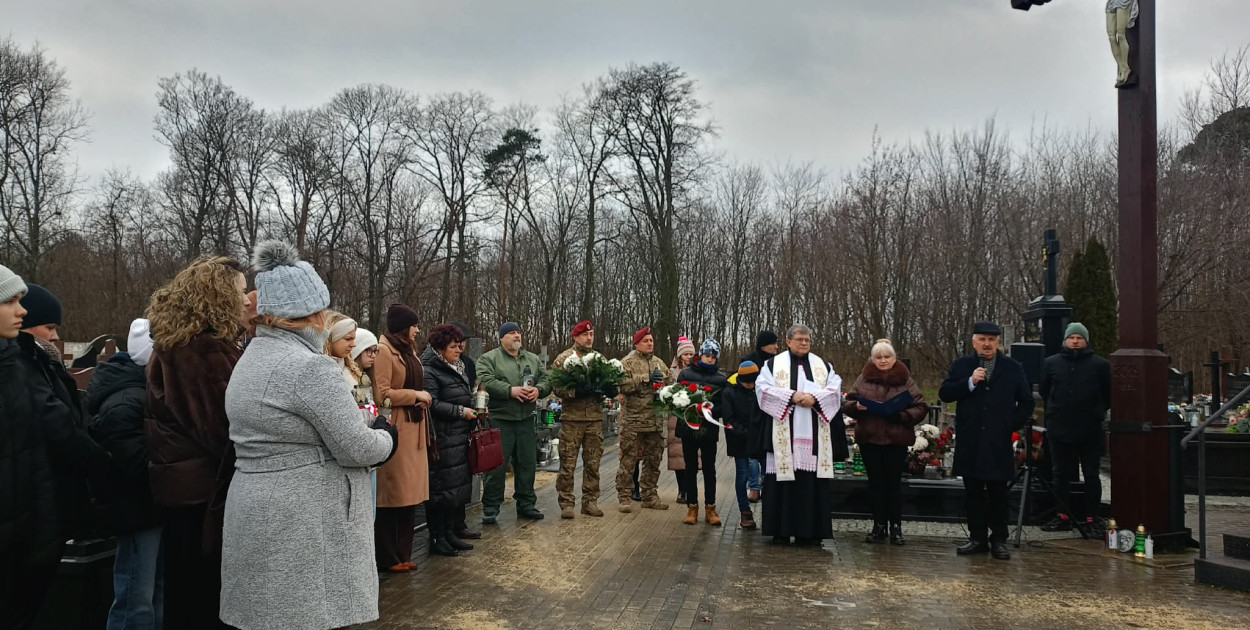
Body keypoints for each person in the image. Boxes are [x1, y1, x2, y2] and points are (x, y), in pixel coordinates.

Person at [220, 240, 396, 630]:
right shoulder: (308, 368)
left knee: (268, 615)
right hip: (302, 519)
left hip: (256, 505)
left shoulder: (250, 357)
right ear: (310, 312)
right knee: (305, 616)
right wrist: (386, 436)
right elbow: (357, 448)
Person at [1, 267, 108, 629]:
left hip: (34, 524)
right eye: (11, 302)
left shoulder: (19, 364)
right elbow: (57, 426)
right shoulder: (21, 366)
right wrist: (105, 465)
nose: (22, 311)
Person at [145, 256, 249, 629]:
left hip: (185, 492)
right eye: (238, 291)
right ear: (218, 297)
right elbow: (224, 429)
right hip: (201, 497)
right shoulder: (201, 351)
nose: (246, 299)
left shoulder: (178, 345)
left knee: (187, 596)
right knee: (201, 601)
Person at [88, 318, 165, 630]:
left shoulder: (139, 391)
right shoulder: (125, 399)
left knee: (152, 594)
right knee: (136, 596)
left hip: (149, 508)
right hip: (135, 511)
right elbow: (128, 460)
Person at [939, 321, 1034, 561]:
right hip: (971, 438)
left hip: (997, 440)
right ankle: (977, 538)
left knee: (998, 492)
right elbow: (945, 392)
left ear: (998, 342)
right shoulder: (963, 365)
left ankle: (999, 539)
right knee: (973, 491)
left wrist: (1009, 424)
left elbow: (1026, 401)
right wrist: (970, 382)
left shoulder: (1012, 368)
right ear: (974, 342)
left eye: (992, 339)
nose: (987, 344)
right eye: (982, 339)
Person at [755, 325, 847, 545]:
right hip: (783, 436)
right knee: (781, 485)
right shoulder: (772, 365)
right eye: (799, 339)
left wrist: (815, 398)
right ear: (788, 341)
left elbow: (835, 388)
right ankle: (781, 531)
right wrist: (792, 396)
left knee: (811, 485)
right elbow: (762, 389)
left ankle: (811, 533)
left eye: (807, 340)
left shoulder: (823, 365)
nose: (804, 343)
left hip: (814, 437)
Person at [842, 339, 928, 546]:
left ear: (894, 358)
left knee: (893, 486)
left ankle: (896, 528)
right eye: (878, 357)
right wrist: (856, 408)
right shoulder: (864, 378)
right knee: (876, 485)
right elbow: (848, 403)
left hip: (895, 439)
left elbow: (921, 406)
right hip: (870, 438)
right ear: (873, 359)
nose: (882, 361)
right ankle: (878, 526)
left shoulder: (905, 379)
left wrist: (902, 416)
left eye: (886, 357)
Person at [373, 303, 432, 573]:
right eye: (414, 325)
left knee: (409, 495)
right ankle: (388, 556)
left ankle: (403, 553)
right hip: (398, 429)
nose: (418, 330)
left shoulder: (409, 351)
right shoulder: (384, 351)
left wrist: (420, 399)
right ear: (403, 327)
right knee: (393, 493)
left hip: (414, 427)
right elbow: (381, 393)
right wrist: (415, 396)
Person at [1039, 322, 1111, 534]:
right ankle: (1062, 515)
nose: (1075, 341)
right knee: (1060, 474)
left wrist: (1095, 411)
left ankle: (1092, 517)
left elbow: (1108, 394)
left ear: (1086, 340)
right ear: (1066, 340)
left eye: (1079, 337)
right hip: (1059, 427)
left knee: (1091, 474)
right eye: (1072, 338)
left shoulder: (1100, 365)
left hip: (1089, 428)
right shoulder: (1052, 363)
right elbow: (1045, 390)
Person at [477, 321, 551, 523]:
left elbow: (545, 380)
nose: (517, 336)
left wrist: (539, 390)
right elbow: (484, 380)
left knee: (527, 463)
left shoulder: (533, 359)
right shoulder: (489, 358)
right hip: (500, 419)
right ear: (501, 338)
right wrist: (510, 391)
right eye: (511, 333)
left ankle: (526, 504)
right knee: (496, 467)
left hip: (526, 419)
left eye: (518, 332)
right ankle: (491, 507)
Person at [421, 324, 478, 556]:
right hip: (442, 437)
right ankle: (437, 537)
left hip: (458, 436)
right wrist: (459, 411)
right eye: (453, 347)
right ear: (440, 348)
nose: (458, 350)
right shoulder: (430, 370)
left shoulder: (457, 366)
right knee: (440, 490)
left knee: (453, 488)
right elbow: (431, 402)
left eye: (459, 346)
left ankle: (450, 533)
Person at [551, 320, 614, 520]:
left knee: (593, 462)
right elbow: (557, 387)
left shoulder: (599, 359)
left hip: (594, 419)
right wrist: (576, 391)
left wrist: (609, 388)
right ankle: (567, 502)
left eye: (592, 334)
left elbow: (611, 382)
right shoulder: (565, 358)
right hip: (572, 419)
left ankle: (590, 501)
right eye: (585, 335)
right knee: (568, 463)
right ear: (576, 337)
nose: (589, 338)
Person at [616, 327, 675, 512]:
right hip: (633, 421)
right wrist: (645, 378)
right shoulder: (627, 363)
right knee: (628, 461)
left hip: (655, 421)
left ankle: (649, 495)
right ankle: (624, 497)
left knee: (653, 461)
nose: (650, 343)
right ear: (636, 343)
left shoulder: (659, 362)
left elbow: (671, 383)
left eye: (651, 340)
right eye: (646, 341)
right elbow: (620, 385)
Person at [676, 339, 729, 526]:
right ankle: (692, 507)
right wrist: (688, 409)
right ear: (701, 355)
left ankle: (711, 508)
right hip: (688, 427)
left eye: (713, 357)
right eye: (707, 356)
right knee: (690, 468)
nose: (710, 360)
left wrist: (709, 411)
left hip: (708, 428)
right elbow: (677, 398)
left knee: (709, 469)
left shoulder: (721, 379)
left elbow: (724, 406)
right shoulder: (685, 374)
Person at [721, 360, 764, 529]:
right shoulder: (729, 392)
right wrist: (748, 434)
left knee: (767, 475)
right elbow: (729, 420)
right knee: (743, 475)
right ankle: (745, 511)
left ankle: (769, 510)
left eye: (753, 382)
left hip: (760, 440)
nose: (750, 385)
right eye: (747, 382)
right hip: (739, 441)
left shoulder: (760, 390)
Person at [738, 330, 777, 501]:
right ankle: (754, 487)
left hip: (770, 413)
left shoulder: (778, 363)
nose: (777, 346)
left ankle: (769, 486)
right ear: (764, 345)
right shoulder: (749, 362)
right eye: (773, 343)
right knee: (752, 455)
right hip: (750, 412)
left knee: (768, 453)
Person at [668, 335, 696, 504]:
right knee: (677, 455)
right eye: (685, 355)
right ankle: (681, 489)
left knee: (691, 456)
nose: (688, 358)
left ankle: (690, 487)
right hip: (676, 417)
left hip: (692, 415)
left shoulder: (697, 371)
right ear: (679, 356)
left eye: (691, 354)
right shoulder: (671, 372)